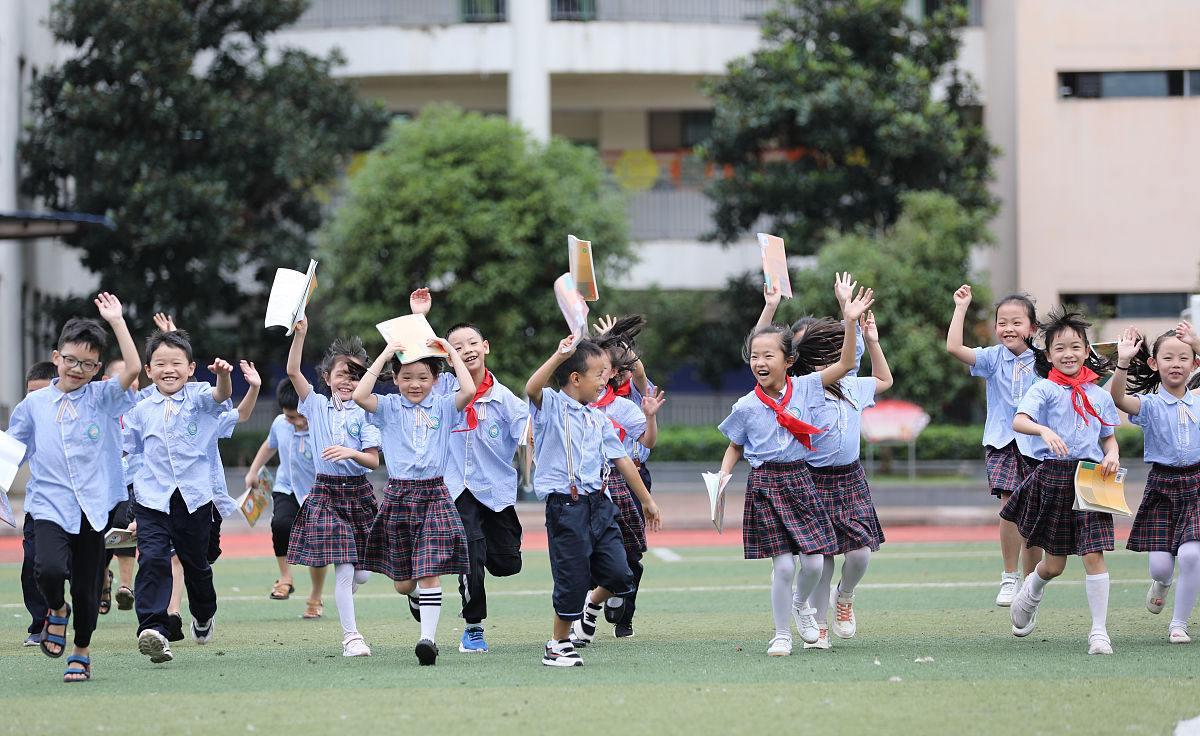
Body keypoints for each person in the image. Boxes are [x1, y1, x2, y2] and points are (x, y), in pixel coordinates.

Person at [717, 274, 872, 657]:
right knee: (784, 568)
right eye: (754, 357)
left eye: (769, 356)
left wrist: (849, 319)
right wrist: (723, 476)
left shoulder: (806, 386)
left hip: (801, 481)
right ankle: (781, 633)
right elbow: (735, 445)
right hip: (766, 485)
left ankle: (803, 605)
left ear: (790, 361)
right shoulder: (746, 405)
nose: (759, 362)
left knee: (816, 563)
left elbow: (849, 362)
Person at [7, 294, 140, 682]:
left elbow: (133, 367)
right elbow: (12, 451)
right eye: (70, 360)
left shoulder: (104, 397)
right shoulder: (33, 405)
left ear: (97, 368)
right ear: (56, 356)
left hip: (94, 507)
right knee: (46, 569)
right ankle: (54, 609)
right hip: (48, 504)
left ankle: (80, 651)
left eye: (86, 363)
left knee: (86, 590)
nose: (76, 368)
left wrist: (116, 321)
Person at [526, 336, 662, 666]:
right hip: (566, 506)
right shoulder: (553, 408)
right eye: (598, 374)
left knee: (621, 573)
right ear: (576, 379)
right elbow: (532, 388)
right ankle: (557, 644)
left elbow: (623, 460)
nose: (605, 379)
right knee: (571, 577)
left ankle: (589, 607)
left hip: (600, 505)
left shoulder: (597, 417)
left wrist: (647, 501)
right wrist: (560, 354)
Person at [410, 290, 529, 653]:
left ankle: (425, 582)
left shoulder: (505, 398)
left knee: (508, 563)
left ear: (486, 347)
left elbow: (528, 434)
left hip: (495, 491)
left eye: (472, 343)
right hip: (453, 489)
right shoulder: (441, 388)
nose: (466, 350)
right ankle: (473, 627)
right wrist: (419, 318)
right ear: (448, 355)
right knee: (471, 557)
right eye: (457, 346)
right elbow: (415, 359)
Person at [1001, 310, 1120, 655]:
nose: (1068, 354)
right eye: (1060, 348)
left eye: (1075, 347)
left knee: (1094, 555)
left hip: (1092, 476)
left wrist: (1111, 454)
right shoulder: (1045, 389)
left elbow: (1109, 438)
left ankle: (1099, 632)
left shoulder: (1099, 394)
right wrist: (1043, 429)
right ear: (1049, 354)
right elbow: (1019, 420)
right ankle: (1032, 588)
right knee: (1054, 564)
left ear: (1086, 351)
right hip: (1053, 475)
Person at [354, 331, 475, 665]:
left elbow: (468, 390)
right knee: (404, 584)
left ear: (435, 379)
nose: (415, 384)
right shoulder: (389, 406)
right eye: (406, 377)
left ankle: (428, 640)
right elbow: (361, 394)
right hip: (399, 496)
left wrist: (450, 350)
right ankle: (415, 598)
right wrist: (385, 354)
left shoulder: (444, 406)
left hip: (435, 493)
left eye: (423, 377)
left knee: (430, 568)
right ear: (395, 378)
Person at [123, 328, 235, 663]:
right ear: (148, 371)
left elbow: (220, 398)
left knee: (195, 565)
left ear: (190, 368)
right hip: (152, 500)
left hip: (194, 499)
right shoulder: (141, 409)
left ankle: (203, 613)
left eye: (176, 363)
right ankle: (153, 628)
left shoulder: (200, 397)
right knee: (153, 560)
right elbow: (127, 451)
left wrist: (225, 378)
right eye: (160, 363)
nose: (168, 369)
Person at [285, 318, 381, 658]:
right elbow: (293, 370)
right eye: (342, 373)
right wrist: (301, 334)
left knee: (363, 574)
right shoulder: (314, 404)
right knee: (343, 567)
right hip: (325, 494)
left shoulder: (367, 412)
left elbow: (372, 461)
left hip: (359, 494)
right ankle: (351, 638)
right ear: (327, 378)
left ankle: (347, 600)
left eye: (356, 376)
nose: (348, 381)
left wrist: (349, 452)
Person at [797, 308, 892, 649]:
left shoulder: (853, 385)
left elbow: (884, 380)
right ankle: (818, 626)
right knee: (821, 559)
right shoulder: (803, 391)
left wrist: (871, 341)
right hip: (812, 480)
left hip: (850, 479)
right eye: (820, 357)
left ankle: (845, 596)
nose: (830, 363)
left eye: (835, 355)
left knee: (860, 554)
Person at [946, 286, 1043, 606]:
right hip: (1002, 441)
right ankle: (1009, 576)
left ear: (1033, 328)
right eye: (1002, 322)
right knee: (1009, 502)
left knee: (1033, 515)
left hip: (1039, 446)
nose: (1008, 329)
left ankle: (1031, 587)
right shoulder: (991, 357)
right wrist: (961, 307)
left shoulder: (1047, 363)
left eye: (1016, 322)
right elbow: (954, 348)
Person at [1112, 321, 1200, 643]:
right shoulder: (1149, 405)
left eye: (1183, 357)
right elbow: (1119, 398)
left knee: (1192, 556)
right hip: (1163, 485)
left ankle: (1178, 623)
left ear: (1194, 363)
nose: (1176, 364)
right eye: (1168, 358)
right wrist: (1123, 361)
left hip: (1198, 484)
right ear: (1154, 363)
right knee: (1161, 568)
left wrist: (1196, 341)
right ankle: (1161, 583)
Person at [589, 330, 666, 638]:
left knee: (631, 553)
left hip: (632, 477)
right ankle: (590, 609)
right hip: (595, 481)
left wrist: (618, 342)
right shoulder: (582, 400)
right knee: (592, 550)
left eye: (619, 367)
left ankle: (624, 613)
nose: (616, 372)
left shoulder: (632, 398)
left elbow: (639, 371)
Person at [244, 380, 326, 618]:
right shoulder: (280, 424)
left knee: (317, 545)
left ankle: (315, 597)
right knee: (280, 525)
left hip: (317, 492)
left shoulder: (323, 426)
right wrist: (253, 471)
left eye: (302, 416)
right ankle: (286, 577)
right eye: (291, 418)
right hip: (286, 487)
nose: (298, 423)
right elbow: (269, 446)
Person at [18, 361, 58, 646]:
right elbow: (10, 453)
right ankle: (40, 623)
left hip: (78, 508)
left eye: (42, 393)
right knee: (34, 564)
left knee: (79, 572)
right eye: (31, 393)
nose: (36, 400)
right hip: (39, 507)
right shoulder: (26, 421)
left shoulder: (74, 417)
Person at [98, 359, 139, 616]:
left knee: (124, 522)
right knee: (98, 530)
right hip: (100, 484)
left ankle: (126, 585)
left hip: (131, 481)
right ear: (106, 382)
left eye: (134, 378)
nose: (131, 383)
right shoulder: (98, 409)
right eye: (124, 377)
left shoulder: (143, 405)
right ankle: (103, 584)